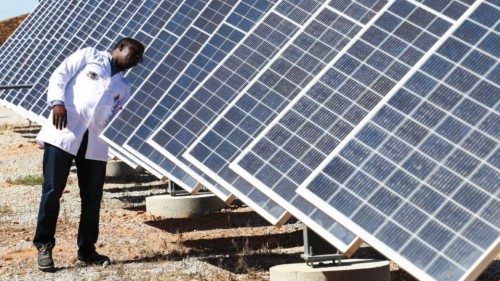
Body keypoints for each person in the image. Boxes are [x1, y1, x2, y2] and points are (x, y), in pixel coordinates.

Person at [33, 38, 145, 272]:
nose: (135, 61)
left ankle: (87, 250)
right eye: (133, 54)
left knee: (93, 197)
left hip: (95, 142)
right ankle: (44, 246)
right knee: (53, 190)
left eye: (138, 58)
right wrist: (56, 102)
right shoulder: (89, 56)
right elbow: (59, 75)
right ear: (119, 48)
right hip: (64, 130)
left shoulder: (124, 86)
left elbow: (118, 117)